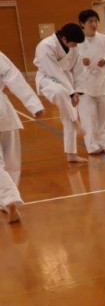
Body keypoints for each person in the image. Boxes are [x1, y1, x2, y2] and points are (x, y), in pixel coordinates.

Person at [0, 51, 44, 223]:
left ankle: (9, 199)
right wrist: (34, 105)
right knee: (12, 161)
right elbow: (14, 77)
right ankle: (8, 201)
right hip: (4, 112)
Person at [33, 23, 86, 163]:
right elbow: (53, 71)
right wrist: (70, 92)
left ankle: (71, 154)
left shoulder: (73, 46)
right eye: (73, 43)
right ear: (63, 38)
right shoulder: (45, 46)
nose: (75, 46)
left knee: (67, 114)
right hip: (48, 78)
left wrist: (77, 91)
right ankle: (76, 121)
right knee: (59, 92)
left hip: (68, 79)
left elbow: (78, 69)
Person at [74, 9, 105, 155]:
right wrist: (81, 61)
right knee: (88, 117)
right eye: (90, 21)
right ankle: (92, 145)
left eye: (96, 21)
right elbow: (69, 62)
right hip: (84, 85)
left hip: (103, 82)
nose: (94, 24)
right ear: (82, 24)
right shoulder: (77, 42)